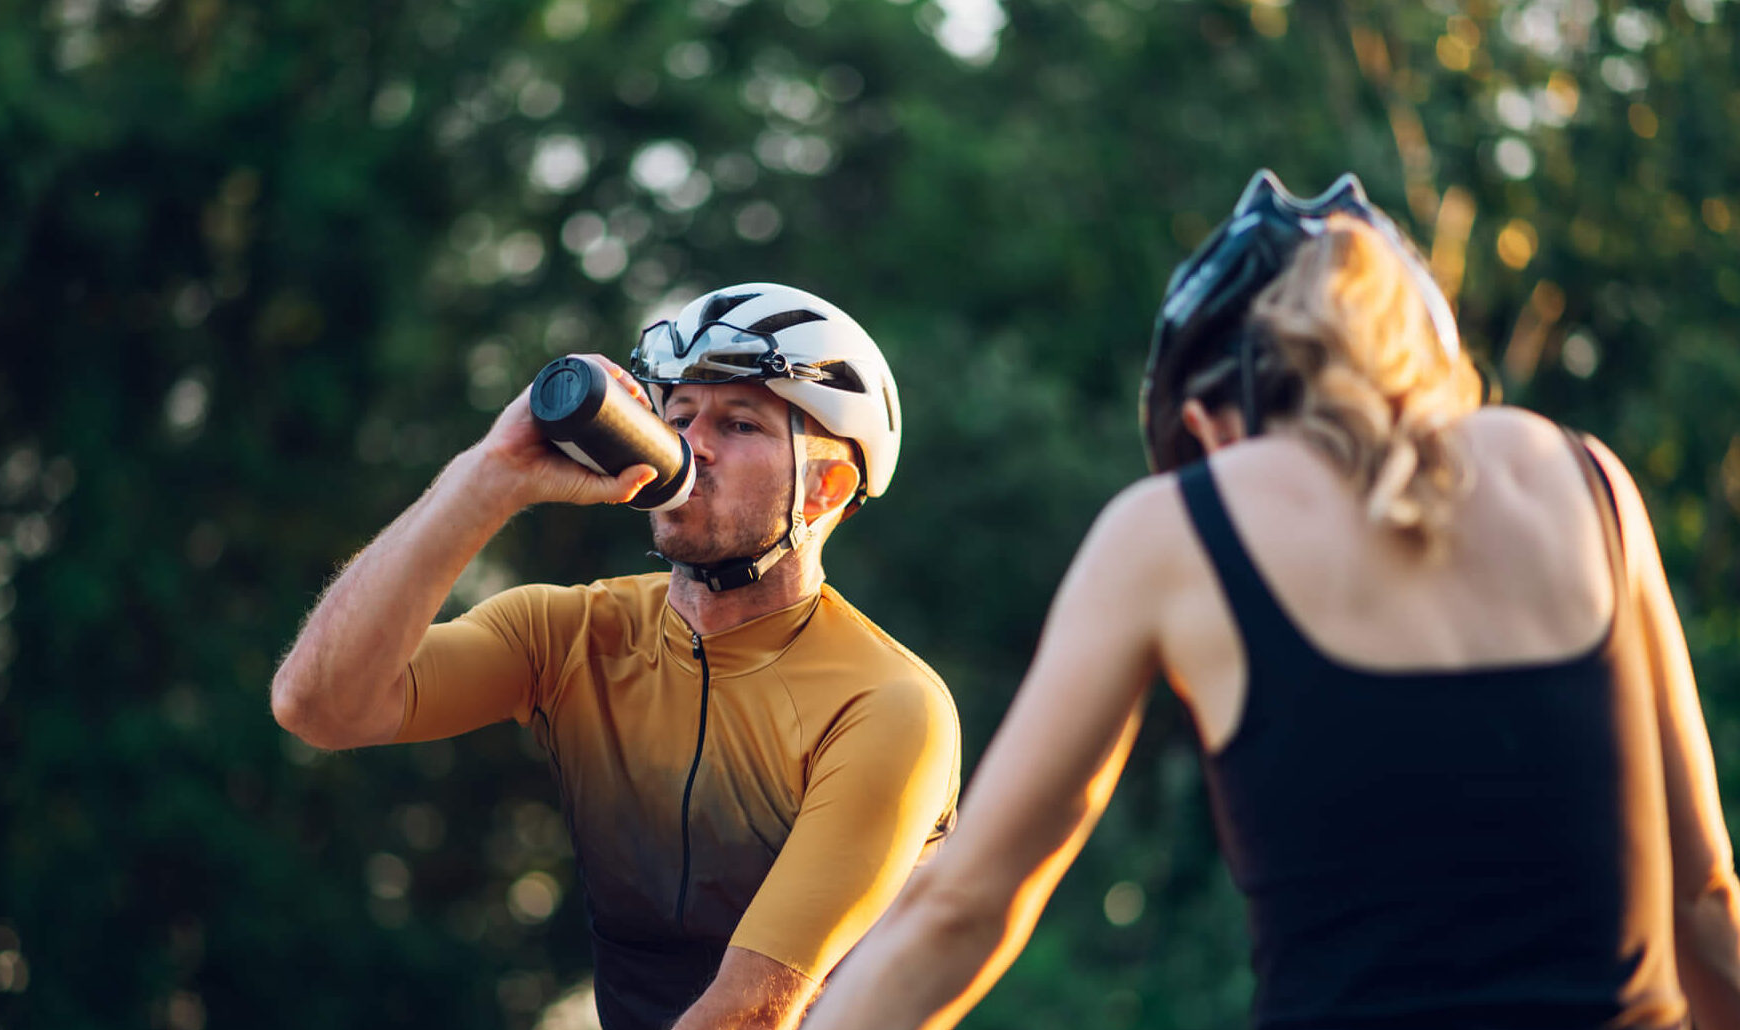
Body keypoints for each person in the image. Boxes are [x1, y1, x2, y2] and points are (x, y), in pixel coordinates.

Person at [801, 172, 1740, 1030]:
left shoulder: (1175, 527)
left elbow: (965, 906)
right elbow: (1701, 895)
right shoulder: (1585, 480)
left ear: (1208, 422)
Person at [270, 282, 961, 1030]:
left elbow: (752, 1014)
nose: (693, 445)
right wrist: (488, 477)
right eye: (680, 416)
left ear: (826, 487)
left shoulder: (887, 704)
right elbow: (319, 705)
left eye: (739, 425)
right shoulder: (568, 632)